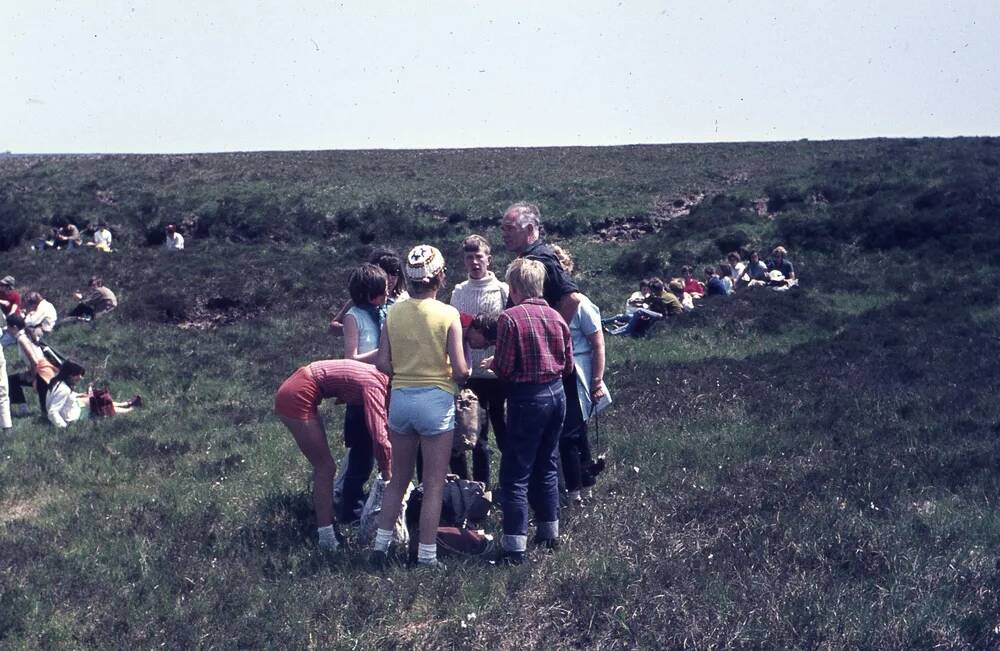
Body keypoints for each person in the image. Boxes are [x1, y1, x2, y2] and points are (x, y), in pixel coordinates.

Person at [370, 244, 469, 570]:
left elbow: (383, 362)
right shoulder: (448, 314)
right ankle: (427, 555)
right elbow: (461, 368)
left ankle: (380, 547)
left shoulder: (394, 311)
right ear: (439, 276)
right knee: (434, 483)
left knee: (398, 479)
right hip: (436, 401)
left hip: (401, 400)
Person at [488, 258, 573, 564]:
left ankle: (514, 547)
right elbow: (568, 365)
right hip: (556, 395)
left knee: (515, 473)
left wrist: (492, 364)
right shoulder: (556, 316)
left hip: (527, 398)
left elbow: (506, 368)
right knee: (547, 465)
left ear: (514, 288)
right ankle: (550, 534)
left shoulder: (510, 319)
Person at [274, 359, 393, 552]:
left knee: (325, 467)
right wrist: (388, 474)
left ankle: (327, 529)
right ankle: (326, 538)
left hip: (300, 387)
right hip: (297, 394)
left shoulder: (378, 376)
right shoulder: (376, 385)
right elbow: (379, 437)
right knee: (325, 467)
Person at [448, 235, 509, 486]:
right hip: (471, 377)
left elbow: (510, 329)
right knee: (477, 438)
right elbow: (452, 331)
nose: (474, 262)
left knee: (506, 434)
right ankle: (478, 490)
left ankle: (510, 485)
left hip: (500, 376)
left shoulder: (503, 290)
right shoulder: (459, 293)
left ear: (489, 259)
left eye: (479, 257)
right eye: (469, 258)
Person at [338, 263, 389, 523]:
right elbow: (351, 358)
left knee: (386, 448)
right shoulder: (353, 317)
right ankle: (351, 511)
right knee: (361, 456)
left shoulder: (385, 312)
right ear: (369, 294)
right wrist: (382, 353)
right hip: (360, 394)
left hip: (385, 389)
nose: (387, 296)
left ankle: (385, 502)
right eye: (382, 293)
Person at [559, 289, 609, 506]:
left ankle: (574, 491)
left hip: (578, 372)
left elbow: (598, 344)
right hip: (559, 372)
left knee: (569, 435)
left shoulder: (582, 305)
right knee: (577, 434)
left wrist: (596, 381)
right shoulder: (552, 302)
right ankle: (585, 485)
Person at [500, 201, 580, 324]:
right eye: (503, 229)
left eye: (510, 228)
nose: (504, 235)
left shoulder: (541, 258)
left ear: (530, 229)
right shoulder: (527, 258)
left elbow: (572, 299)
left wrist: (554, 332)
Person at [329, 250, 407, 335]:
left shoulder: (403, 299)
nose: (390, 277)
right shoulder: (363, 300)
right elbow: (333, 326)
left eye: (394, 272)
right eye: (385, 272)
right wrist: (353, 329)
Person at [5, 314, 58, 416]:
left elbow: (34, 361)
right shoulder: (26, 334)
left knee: (46, 413)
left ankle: (24, 409)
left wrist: (33, 379)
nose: (7, 329)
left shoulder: (21, 339)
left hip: (42, 373)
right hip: (43, 369)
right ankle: (23, 408)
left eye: (8, 326)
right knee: (12, 380)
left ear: (14, 327)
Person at [607, 278, 682, 337]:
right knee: (635, 317)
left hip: (670, 319)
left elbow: (664, 312)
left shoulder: (664, 297)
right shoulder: (662, 295)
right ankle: (613, 332)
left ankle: (625, 332)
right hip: (667, 317)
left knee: (639, 311)